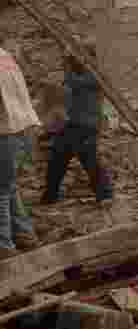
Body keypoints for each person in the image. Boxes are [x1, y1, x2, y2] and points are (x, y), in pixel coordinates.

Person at [41, 40, 113, 206]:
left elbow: (73, 82)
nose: (74, 59)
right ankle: (50, 196)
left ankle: (105, 195)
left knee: (90, 161)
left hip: (87, 126)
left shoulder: (95, 74)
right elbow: (69, 86)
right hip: (72, 124)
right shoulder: (79, 73)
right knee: (57, 160)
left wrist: (67, 63)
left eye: (76, 56)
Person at [0, 45, 41, 258]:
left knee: (1, 190)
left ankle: (4, 245)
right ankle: (25, 235)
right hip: (24, 127)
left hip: (5, 131)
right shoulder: (5, 56)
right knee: (8, 185)